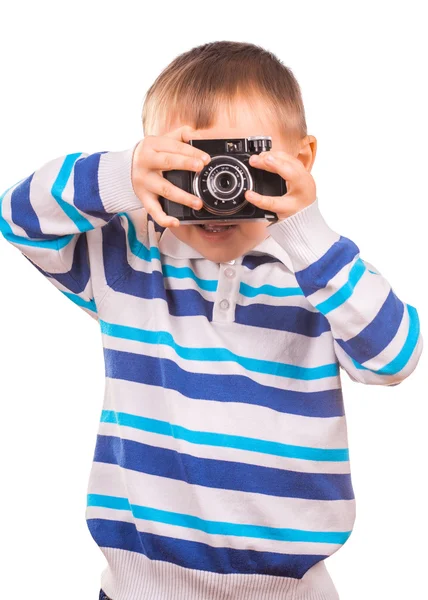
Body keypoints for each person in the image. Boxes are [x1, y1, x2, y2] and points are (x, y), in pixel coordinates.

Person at [0, 40, 423, 600]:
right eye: (189, 166)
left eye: (241, 163)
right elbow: (20, 218)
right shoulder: (130, 261)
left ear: (302, 160)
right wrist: (123, 177)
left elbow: (395, 358)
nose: (216, 190)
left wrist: (307, 230)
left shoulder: (321, 272)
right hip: (138, 589)